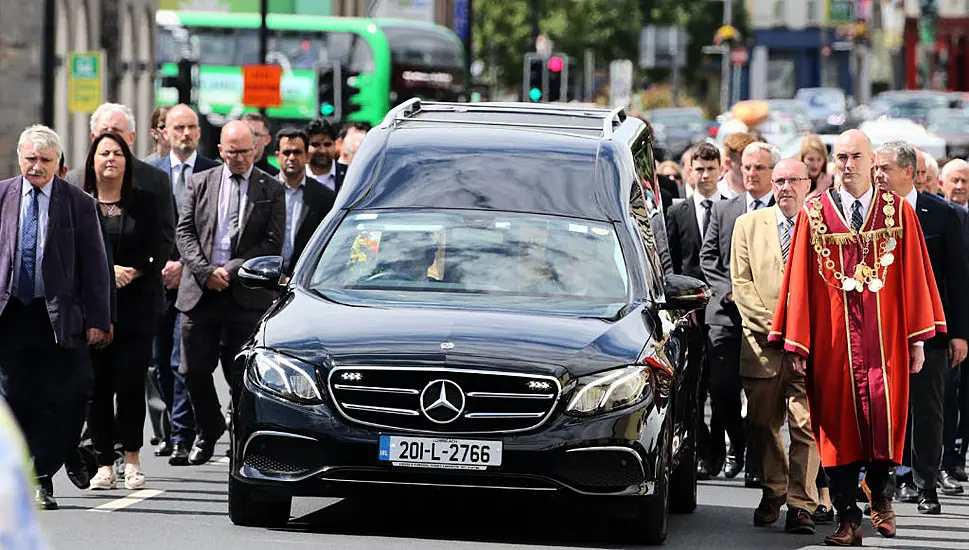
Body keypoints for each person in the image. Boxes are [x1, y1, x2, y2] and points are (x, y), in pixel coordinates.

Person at [769, 129, 946, 546]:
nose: (847, 165)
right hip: (833, 344)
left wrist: (917, 340)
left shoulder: (898, 212)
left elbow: (916, 277)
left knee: (886, 422)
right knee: (836, 428)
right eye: (841, 157)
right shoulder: (814, 214)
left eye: (855, 157)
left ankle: (881, 491)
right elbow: (798, 282)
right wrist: (798, 342)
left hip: (885, 342)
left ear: (872, 162)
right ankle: (847, 516)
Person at [0, 125, 112, 510]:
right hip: (10, 313)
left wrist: (99, 318)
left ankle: (41, 477)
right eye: (31, 159)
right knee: (12, 398)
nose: (37, 167)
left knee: (56, 398)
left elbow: (96, 266)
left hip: (57, 316)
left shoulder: (79, 203)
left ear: (58, 164)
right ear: (20, 158)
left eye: (45, 161)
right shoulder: (1, 196)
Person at [175, 120, 285, 465]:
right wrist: (206, 272)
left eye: (245, 151)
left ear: (256, 149)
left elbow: (272, 242)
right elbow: (185, 233)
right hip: (201, 291)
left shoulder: (271, 188)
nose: (239, 158)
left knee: (242, 375)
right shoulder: (200, 182)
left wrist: (233, 268)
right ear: (220, 150)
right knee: (191, 370)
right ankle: (208, 428)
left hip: (245, 295)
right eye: (232, 151)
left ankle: (242, 437)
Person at [872, 141, 969, 509]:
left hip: (929, 331)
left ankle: (925, 482)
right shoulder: (867, 214)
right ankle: (886, 482)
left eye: (886, 170)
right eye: (876, 169)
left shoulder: (943, 215)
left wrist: (960, 333)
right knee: (882, 408)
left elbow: (958, 279)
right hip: (880, 331)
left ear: (910, 173)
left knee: (928, 408)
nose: (878, 176)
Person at [731, 158, 820, 533]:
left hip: (808, 351)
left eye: (793, 180)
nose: (785, 187)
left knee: (807, 427)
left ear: (808, 184)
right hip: (762, 347)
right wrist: (778, 330)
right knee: (763, 424)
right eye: (779, 180)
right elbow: (742, 286)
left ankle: (802, 503)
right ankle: (774, 490)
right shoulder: (748, 224)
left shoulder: (822, 226)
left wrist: (801, 337)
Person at [81, 132, 171, 490]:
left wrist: (132, 270)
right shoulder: (82, 203)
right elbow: (75, 251)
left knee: (130, 384)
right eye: (104, 153)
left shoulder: (145, 202)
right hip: (96, 306)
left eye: (117, 154)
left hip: (136, 304)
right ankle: (104, 462)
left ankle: (131, 458)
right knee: (98, 387)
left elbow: (159, 244)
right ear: (93, 160)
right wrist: (106, 273)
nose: (110, 160)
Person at [700, 141, 777, 486]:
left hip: (767, 318)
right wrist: (729, 291)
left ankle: (757, 462)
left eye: (759, 168)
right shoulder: (724, 210)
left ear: (772, 173)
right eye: (747, 167)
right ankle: (739, 439)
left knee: (762, 397)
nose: (751, 173)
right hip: (727, 315)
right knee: (723, 388)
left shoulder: (783, 212)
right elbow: (709, 258)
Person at [149, 104, 219, 464]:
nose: (185, 134)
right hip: (155, 280)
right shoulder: (150, 172)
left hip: (193, 281)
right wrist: (158, 264)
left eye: (191, 127)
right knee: (159, 361)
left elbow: (213, 231)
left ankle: (182, 434)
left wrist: (185, 265)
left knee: (183, 360)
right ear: (165, 132)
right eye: (178, 128)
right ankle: (170, 430)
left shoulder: (213, 172)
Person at [666, 142, 726, 478]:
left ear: (720, 170)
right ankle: (700, 450)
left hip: (724, 313)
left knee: (721, 387)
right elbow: (672, 263)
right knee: (693, 387)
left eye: (709, 169)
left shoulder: (733, 210)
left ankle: (721, 449)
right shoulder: (678, 213)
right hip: (690, 314)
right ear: (689, 172)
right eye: (698, 169)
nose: (704, 176)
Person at [276, 128, 336, 278]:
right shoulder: (263, 189)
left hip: (304, 277)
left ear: (307, 156)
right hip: (266, 279)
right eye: (286, 152)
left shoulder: (324, 196)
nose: (291, 157)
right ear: (277, 156)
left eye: (297, 152)